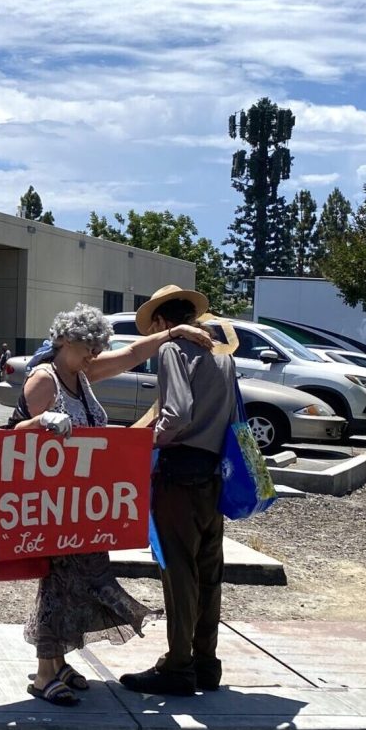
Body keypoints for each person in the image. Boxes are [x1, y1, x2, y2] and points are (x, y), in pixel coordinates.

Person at [4, 302, 213, 706]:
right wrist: (42, 422)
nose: (94, 356)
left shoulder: (81, 374)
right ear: (65, 341)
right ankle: (45, 673)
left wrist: (174, 334)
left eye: (96, 349)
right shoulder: (44, 380)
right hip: (55, 506)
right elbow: (14, 439)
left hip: (82, 505)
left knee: (80, 585)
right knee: (57, 585)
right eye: (88, 348)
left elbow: (133, 354)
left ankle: (59, 662)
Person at [120, 286, 236, 697]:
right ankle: (206, 661)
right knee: (209, 572)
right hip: (213, 473)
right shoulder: (223, 354)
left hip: (179, 473)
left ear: (162, 323)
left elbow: (177, 414)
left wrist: (149, 442)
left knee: (179, 573)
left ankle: (178, 665)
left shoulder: (172, 350)